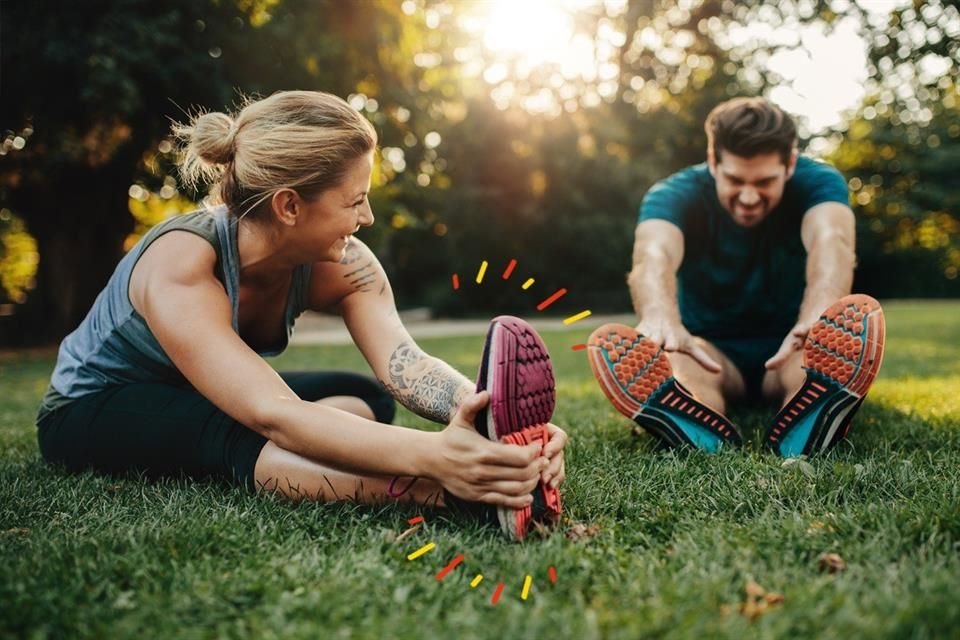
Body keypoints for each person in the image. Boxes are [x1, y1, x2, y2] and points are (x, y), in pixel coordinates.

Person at [35, 90, 567, 538]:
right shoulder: (182, 263)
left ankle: (316, 458)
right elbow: (273, 412)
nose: (368, 216)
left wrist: (494, 424)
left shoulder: (344, 263)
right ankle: (449, 496)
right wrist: (440, 459)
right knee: (244, 431)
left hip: (200, 395)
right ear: (289, 206)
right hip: (94, 407)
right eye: (354, 201)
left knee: (368, 399)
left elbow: (404, 362)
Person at [587, 97, 885, 457]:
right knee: (682, 366)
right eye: (734, 179)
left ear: (789, 164)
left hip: (790, 344)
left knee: (810, 365)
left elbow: (830, 239)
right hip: (710, 350)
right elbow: (654, 253)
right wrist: (661, 318)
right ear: (713, 162)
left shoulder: (818, 181)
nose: (747, 196)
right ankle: (696, 420)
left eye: (764, 182)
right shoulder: (673, 194)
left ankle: (812, 414)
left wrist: (818, 318)